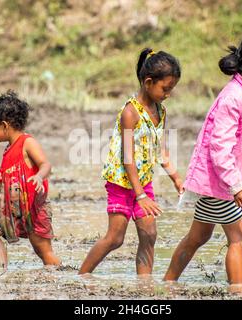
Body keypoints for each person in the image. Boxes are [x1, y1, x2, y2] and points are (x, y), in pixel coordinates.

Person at [163, 32, 242, 293]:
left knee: (198, 236)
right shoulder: (233, 98)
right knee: (239, 238)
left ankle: (167, 284)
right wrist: (236, 186)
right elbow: (219, 149)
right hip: (221, 183)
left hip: (217, 181)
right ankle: (237, 292)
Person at [79, 48, 184, 275]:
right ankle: (82, 275)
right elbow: (128, 158)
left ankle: (144, 285)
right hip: (122, 183)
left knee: (149, 234)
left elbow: (160, 149)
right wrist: (141, 195)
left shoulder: (160, 111)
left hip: (142, 182)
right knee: (115, 238)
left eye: (171, 90)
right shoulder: (130, 112)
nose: (168, 94)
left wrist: (176, 177)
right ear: (148, 82)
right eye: (165, 89)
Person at [0, 90, 60, 269]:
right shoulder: (9, 149)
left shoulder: (27, 143)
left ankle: (59, 275)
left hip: (33, 210)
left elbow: (45, 164)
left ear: (4, 125)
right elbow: (2, 171)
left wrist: (38, 176)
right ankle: (0, 270)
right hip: (13, 211)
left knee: (44, 252)